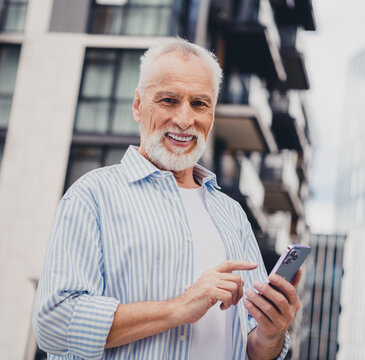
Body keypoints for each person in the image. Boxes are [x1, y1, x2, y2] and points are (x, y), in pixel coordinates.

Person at [33, 38, 301, 360]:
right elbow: (54, 322)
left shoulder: (232, 215)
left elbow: (251, 347)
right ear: (137, 105)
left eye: (200, 104)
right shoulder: (92, 197)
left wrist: (272, 332)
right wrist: (181, 307)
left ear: (212, 115)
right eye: (169, 100)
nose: (185, 120)